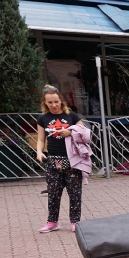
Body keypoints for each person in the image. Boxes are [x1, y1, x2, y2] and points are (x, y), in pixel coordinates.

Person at [35, 85, 90, 233]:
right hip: (53, 161)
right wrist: (39, 152)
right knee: (53, 193)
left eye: (56, 102)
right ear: (45, 103)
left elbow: (85, 133)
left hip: (72, 160)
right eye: (50, 102)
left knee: (75, 194)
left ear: (61, 101)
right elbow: (41, 139)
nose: (54, 105)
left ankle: (75, 222)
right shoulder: (43, 119)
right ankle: (52, 222)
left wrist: (70, 132)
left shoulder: (72, 116)